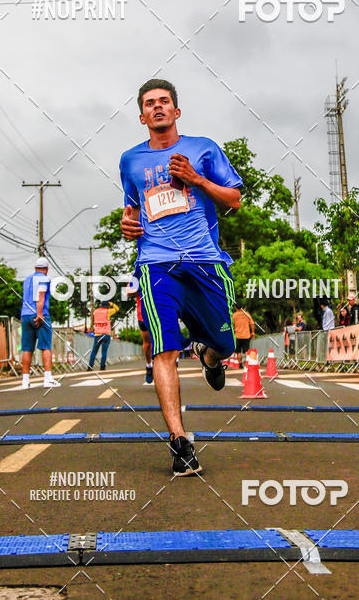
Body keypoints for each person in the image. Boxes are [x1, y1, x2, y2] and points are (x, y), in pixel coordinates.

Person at [120, 78, 242, 476]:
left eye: (164, 101)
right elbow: (132, 209)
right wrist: (127, 223)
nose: (157, 107)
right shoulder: (130, 161)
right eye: (149, 103)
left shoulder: (203, 148)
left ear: (176, 111)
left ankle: (210, 356)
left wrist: (197, 179)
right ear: (142, 116)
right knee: (164, 349)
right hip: (156, 264)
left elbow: (235, 201)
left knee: (226, 342)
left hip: (205, 262)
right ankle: (180, 443)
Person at [20, 257, 60, 389]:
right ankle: (47, 378)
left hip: (25, 315)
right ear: (47, 269)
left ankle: (25, 381)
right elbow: (40, 296)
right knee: (45, 346)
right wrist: (40, 313)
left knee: (27, 348)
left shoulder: (27, 280)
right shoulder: (44, 278)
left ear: (35, 267)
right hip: (38, 314)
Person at [88, 299, 119, 371]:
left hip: (97, 334)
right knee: (104, 352)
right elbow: (117, 309)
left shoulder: (95, 312)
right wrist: (112, 304)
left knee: (94, 352)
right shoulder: (108, 311)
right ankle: (102, 367)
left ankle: (90, 367)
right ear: (107, 306)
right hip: (105, 334)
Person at [232, 302, 255, 367]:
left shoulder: (234, 315)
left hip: (237, 336)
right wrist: (252, 332)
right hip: (246, 335)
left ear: (235, 308)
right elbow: (252, 324)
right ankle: (248, 364)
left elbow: (232, 325)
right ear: (241, 307)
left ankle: (240, 365)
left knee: (238, 351)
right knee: (246, 351)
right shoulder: (247, 314)